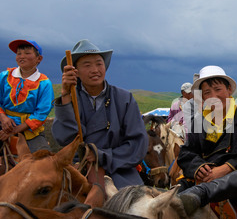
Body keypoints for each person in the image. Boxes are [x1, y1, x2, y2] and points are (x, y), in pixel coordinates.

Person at [177, 65, 237, 216]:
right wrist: (199, 167)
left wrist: (226, 168)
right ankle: (199, 191)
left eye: (218, 89)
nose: (213, 96)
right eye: (207, 92)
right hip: (206, 178)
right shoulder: (198, 122)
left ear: (229, 90)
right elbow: (186, 153)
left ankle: (202, 192)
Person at [52, 39, 148, 189]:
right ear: (75, 71)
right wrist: (65, 95)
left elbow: (137, 144)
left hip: (119, 170)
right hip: (79, 170)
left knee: (135, 207)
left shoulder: (124, 98)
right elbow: (66, 139)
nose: (95, 70)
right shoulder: (71, 99)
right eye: (87, 65)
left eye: (99, 63)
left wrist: (102, 155)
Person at [0, 39, 54, 152]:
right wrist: (3, 118)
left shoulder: (44, 83)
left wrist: (16, 130)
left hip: (29, 129)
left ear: (39, 59)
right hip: (3, 124)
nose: (21, 56)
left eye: (27, 53)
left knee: (43, 158)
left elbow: (42, 112)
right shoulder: (4, 76)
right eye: (19, 53)